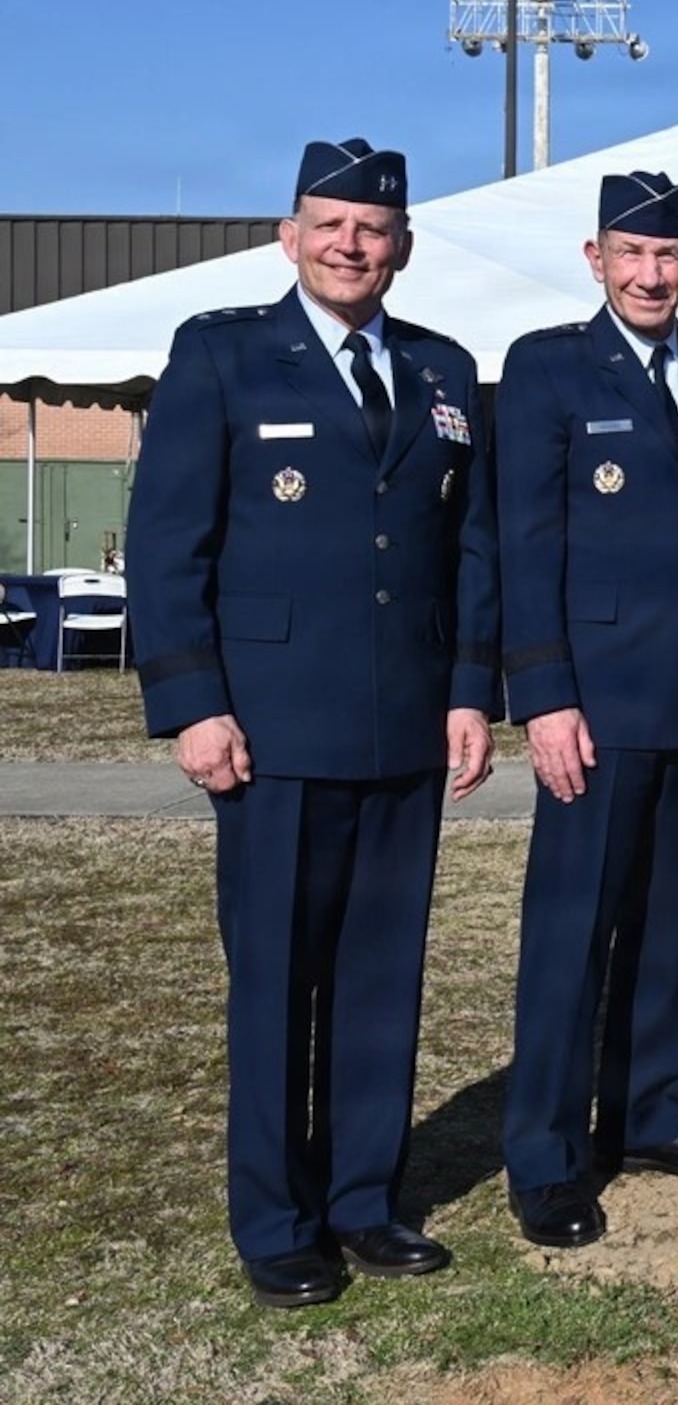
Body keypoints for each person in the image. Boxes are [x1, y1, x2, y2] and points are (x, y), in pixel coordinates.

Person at [126, 137, 500, 1308]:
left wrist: (467, 688)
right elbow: (167, 541)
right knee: (277, 977)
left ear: (403, 246)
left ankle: (363, 1200)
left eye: (373, 228)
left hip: (403, 725)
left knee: (383, 979)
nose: (351, 245)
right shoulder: (225, 354)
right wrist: (193, 703)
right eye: (329, 225)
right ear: (289, 236)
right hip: (273, 729)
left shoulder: (442, 372)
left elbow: (467, 549)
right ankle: (277, 1218)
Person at [497, 170, 678, 1248]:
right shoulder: (547, 368)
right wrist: (546, 694)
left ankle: (651, 1113)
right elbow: (524, 540)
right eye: (631, 254)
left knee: (677, 929)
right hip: (599, 705)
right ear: (595, 259)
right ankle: (546, 1155)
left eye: (668, 256)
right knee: (571, 938)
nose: (650, 273)